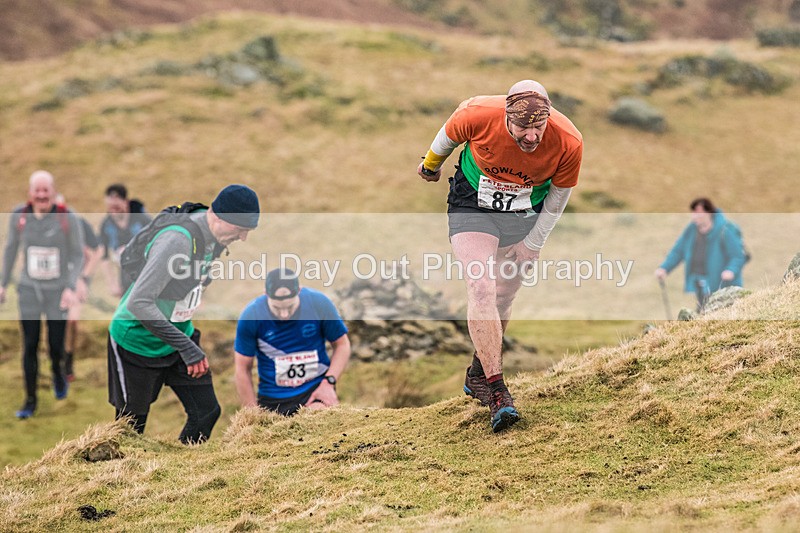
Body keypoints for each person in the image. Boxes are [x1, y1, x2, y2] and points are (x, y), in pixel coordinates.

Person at [417, 80, 583, 432]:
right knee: (481, 288)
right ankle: (497, 391)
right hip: (472, 203)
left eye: (538, 127)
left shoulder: (568, 141)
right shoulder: (476, 113)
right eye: (522, 127)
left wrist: (533, 244)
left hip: (525, 214)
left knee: (504, 296)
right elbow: (446, 136)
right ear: (506, 116)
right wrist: (431, 166)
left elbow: (558, 197)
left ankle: (478, 372)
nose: (531, 137)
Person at [107, 184, 259, 444]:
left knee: (207, 412)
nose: (243, 238)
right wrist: (187, 348)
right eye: (240, 230)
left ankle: (179, 475)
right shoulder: (177, 240)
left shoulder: (214, 235)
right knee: (130, 429)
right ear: (220, 217)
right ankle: (116, 480)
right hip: (137, 343)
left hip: (178, 337)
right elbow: (139, 303)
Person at [0, 171, 84, 419]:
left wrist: (70, 286)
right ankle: (30, 400)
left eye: (45, 190)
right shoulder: (20, 216)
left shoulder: (67, 218)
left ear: (53, 191)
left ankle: (58, 372)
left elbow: (78, 254)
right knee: (30, 345)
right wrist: (3, 283)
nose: (41, 195)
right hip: (29, 290)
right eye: (37, 190)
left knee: (56, 346)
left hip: (57, 292)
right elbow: (10, 250)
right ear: (30, 193)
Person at [234, 269, 351, 416]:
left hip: (315, 391)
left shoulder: (319, 303)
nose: (284, 315)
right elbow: (242, 369)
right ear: (265, 294)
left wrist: (329, 383)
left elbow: (342, 345)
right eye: (277, 308)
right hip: (273, 400)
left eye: (290, 307)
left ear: (299, 291)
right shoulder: (251, 315)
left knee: (317, 423)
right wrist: (252, 413)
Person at [655, 197, 746, 311]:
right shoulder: (692, 230)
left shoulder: (725, 230)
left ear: (709, 212)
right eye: (693, 213)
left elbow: (737, 256)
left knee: (724, 313)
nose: (694, 216)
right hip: (699, 283)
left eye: (698, 213)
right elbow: (678, 251)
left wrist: (731, 270)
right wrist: (664, 268)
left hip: (723, 285)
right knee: (704, 312)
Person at [55, 194, 103, 382]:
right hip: (54, 282)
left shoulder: (78, 223)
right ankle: (57, 362)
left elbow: (97, 250)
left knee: (72, 321)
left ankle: (68, 363)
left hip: (76, 281)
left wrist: (84, 277)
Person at [98, 184, 151, 298]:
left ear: (126, 202)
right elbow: (104, 256)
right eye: (110, 208)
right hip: (125, 276)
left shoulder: (142, 220)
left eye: (117, 207)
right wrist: (112, 284)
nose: (114, 212)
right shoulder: (106, 225)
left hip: (147, 273)